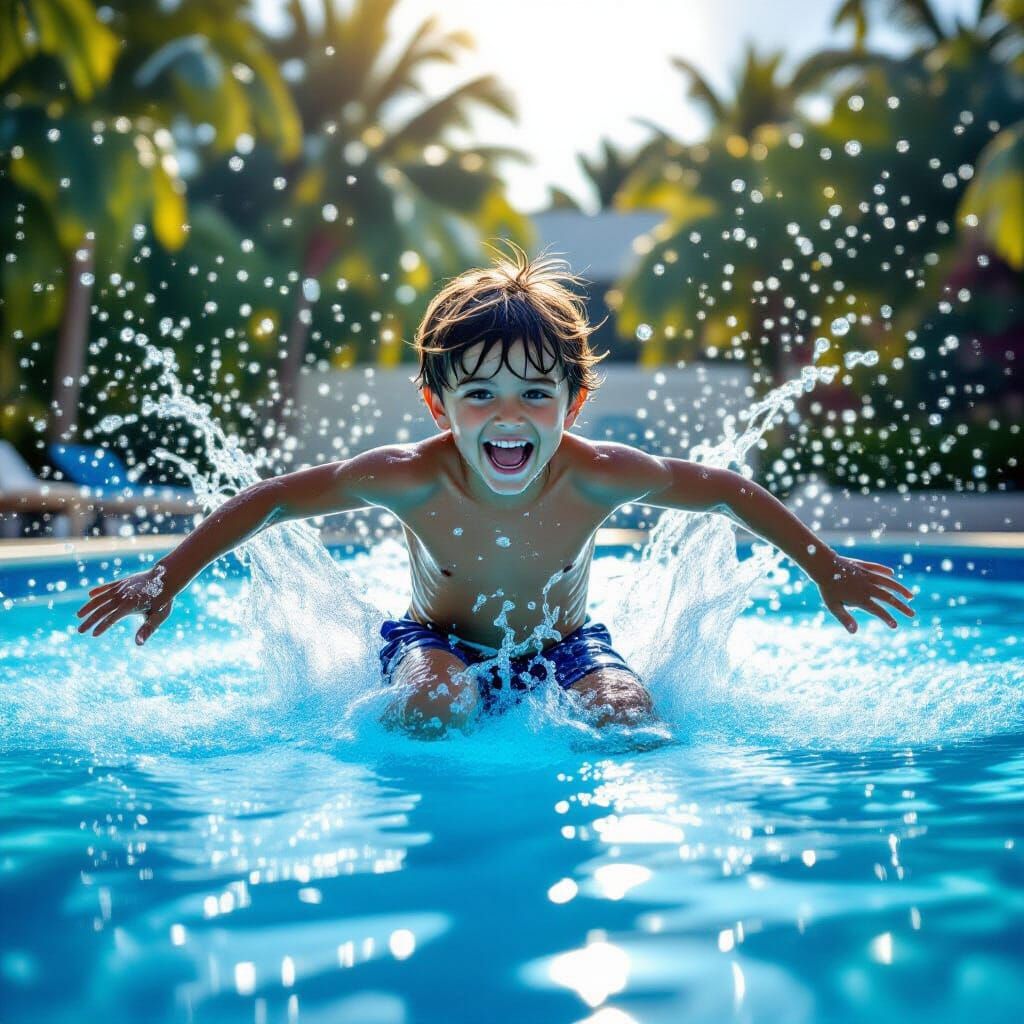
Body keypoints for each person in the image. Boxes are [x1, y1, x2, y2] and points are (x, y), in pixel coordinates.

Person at [75, 245, 915, 736]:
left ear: (572, 403)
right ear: (439, 405)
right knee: (439, 702)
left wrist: (825, 567)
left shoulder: (597, 473)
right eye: (478, 395)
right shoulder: (407, 475)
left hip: (565, 646)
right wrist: (167, 577)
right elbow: (273, 500)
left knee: (630, 718)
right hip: (437, 640)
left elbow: (727, 490)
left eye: (534, 395)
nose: (506, 417)